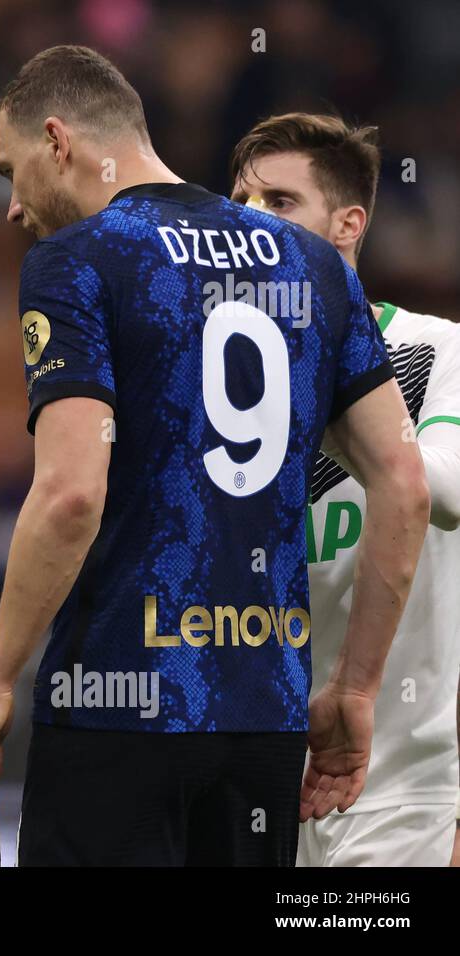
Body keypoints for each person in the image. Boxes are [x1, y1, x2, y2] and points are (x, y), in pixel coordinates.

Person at [0, 45, 430, 866]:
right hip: (265, 721)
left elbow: (70, 495)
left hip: (115, 704)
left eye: (10, 168)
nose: (11, 206)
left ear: (58, 142)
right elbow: (405, 483)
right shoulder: (313, 262)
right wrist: (353, 689)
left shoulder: (76, 262)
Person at [230, 112, 460, 866]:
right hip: (253, 780)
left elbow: (444, 490)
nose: (250, 224)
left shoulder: (434, 350)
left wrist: (336, 399)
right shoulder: (217, 390)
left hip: (398, 784)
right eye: (240, 204)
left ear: (347, 224)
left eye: (280, 202)